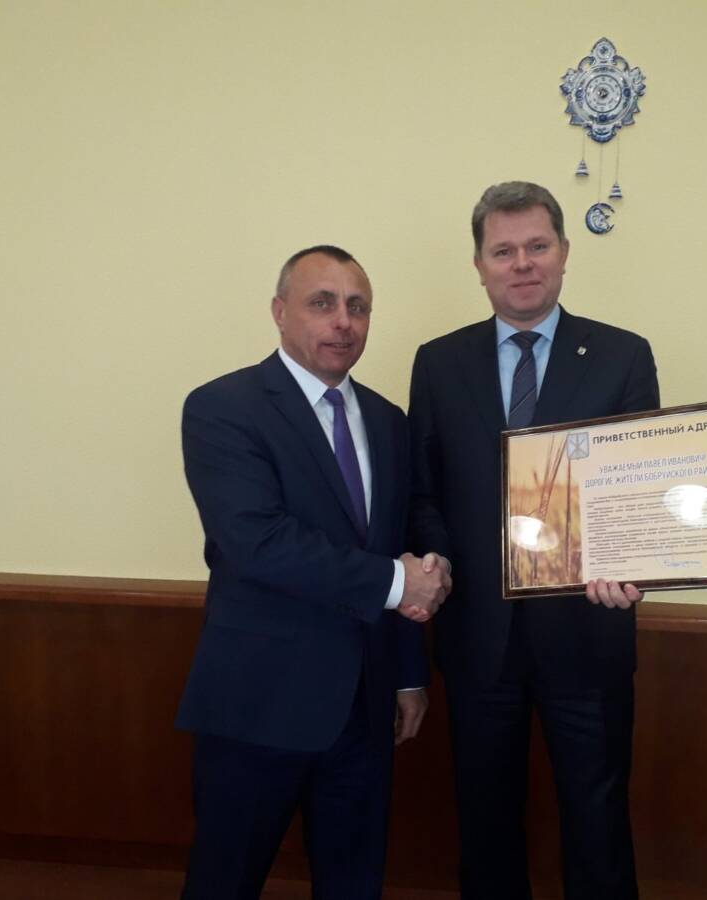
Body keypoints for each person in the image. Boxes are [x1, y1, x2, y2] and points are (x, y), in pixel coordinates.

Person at [408, 182, 660, 900]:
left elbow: (638, 488)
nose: (522, 263)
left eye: (537, 246)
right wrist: (436, 559)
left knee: (598, 819)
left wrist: (627, 560)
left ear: (564, 253)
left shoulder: (620, 355)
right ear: (480, 265)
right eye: (504, 250)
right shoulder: (439, 362)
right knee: (485, 822)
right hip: (478, 639)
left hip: (588, 632)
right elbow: (424, 490)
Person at [176, 245, 451, 900]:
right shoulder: (222, 407)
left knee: (354, 882)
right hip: (258, 706)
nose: (343, 322)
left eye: (358, 307)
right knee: (224, 882)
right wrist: (398, 583)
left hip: (364, 709)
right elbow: (258, 542)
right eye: (322, 303)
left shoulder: (388, 422)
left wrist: (407, 674)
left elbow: (400, 540)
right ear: (279, 311)